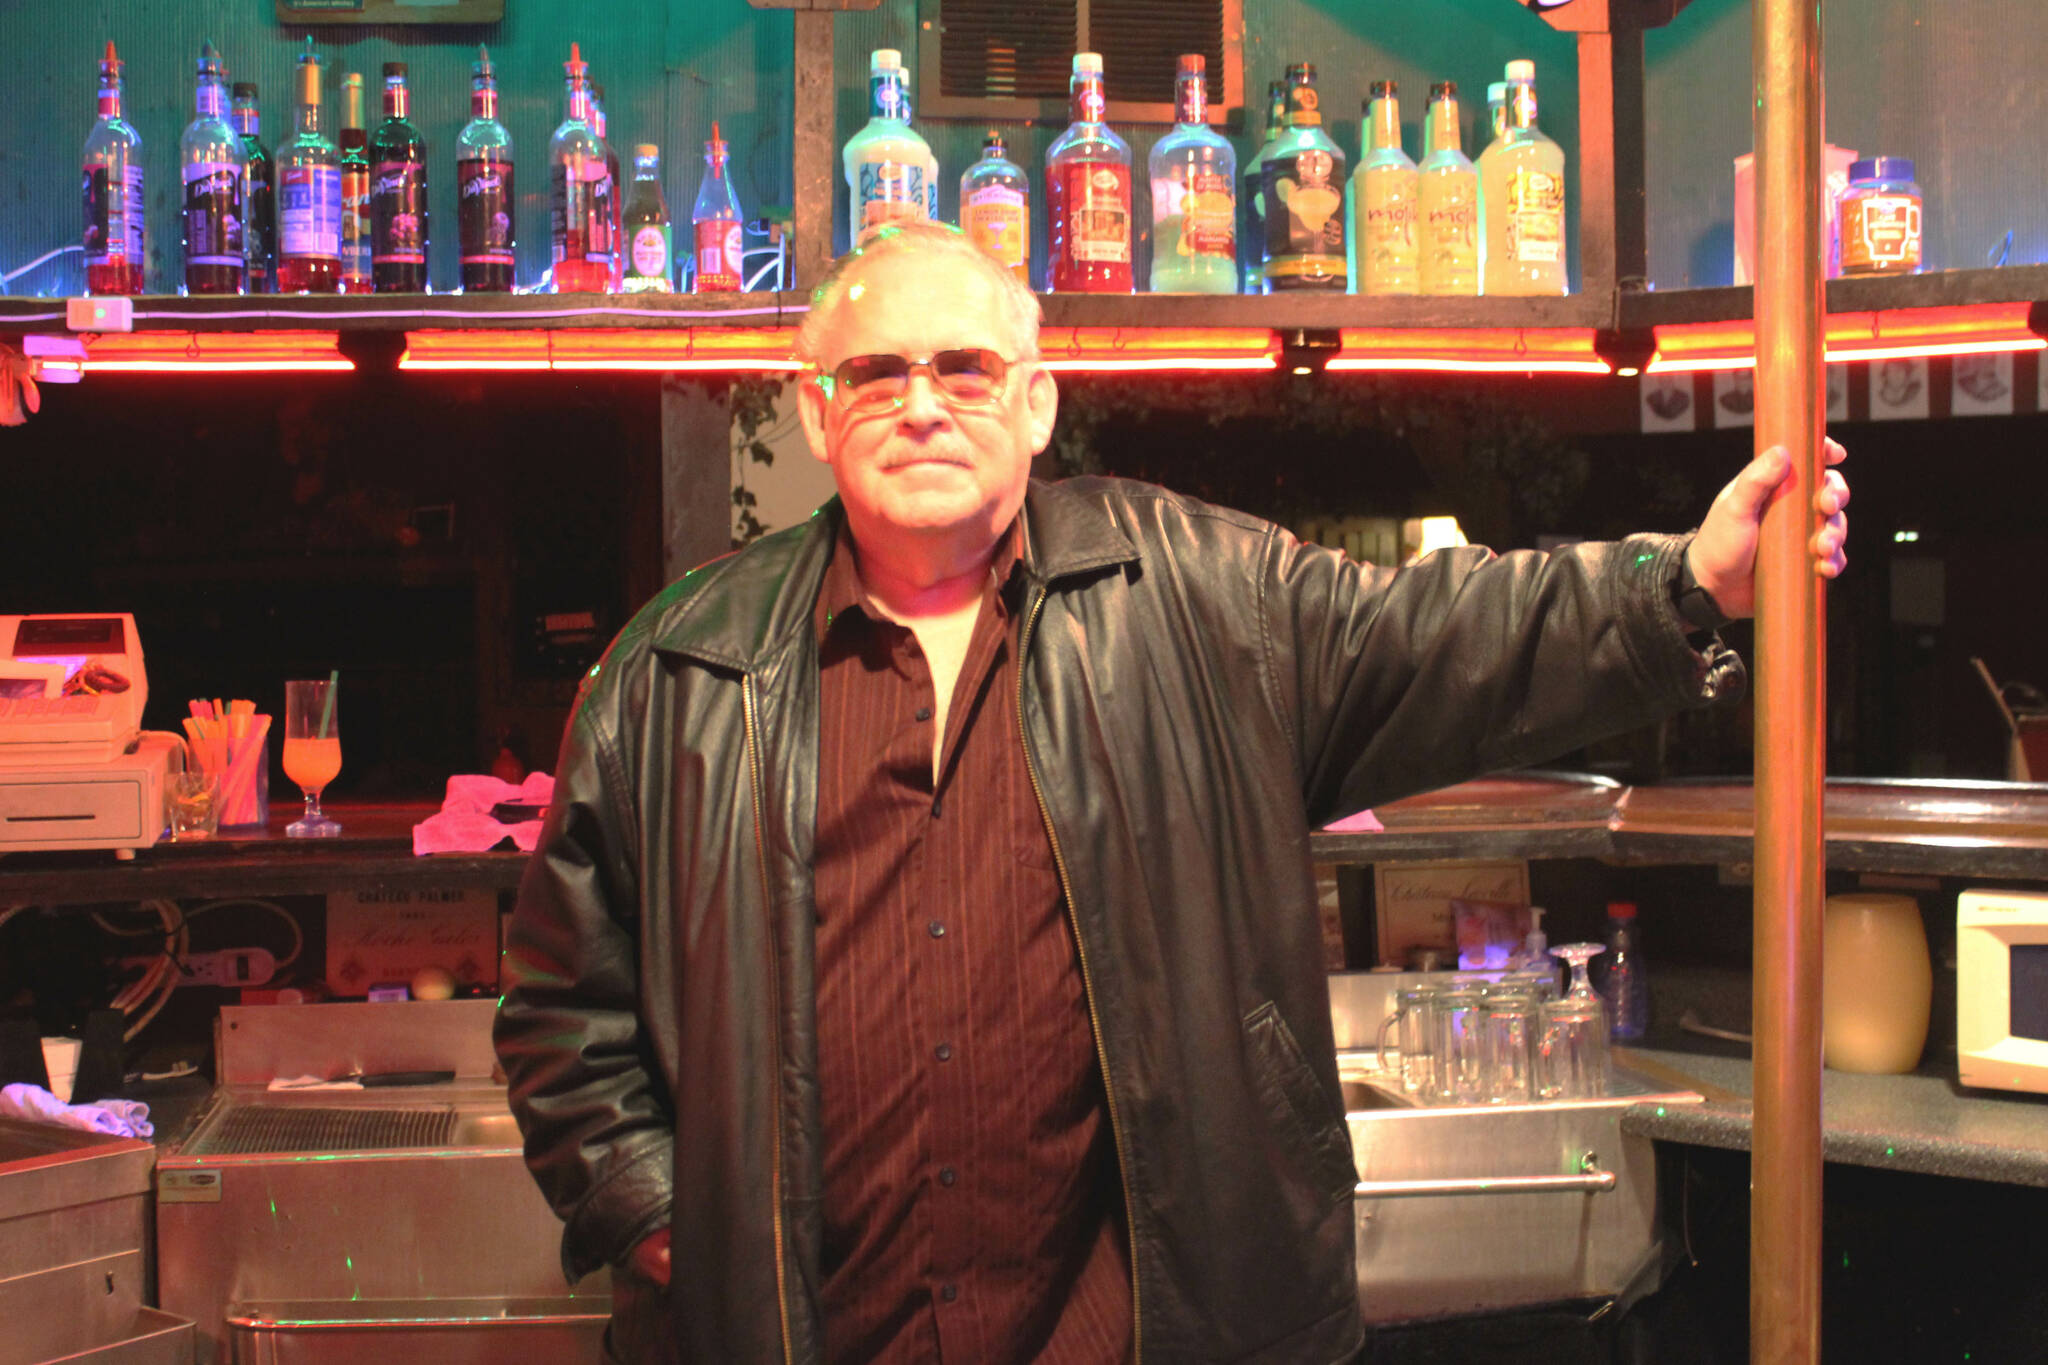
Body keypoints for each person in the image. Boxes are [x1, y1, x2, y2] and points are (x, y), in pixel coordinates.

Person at [494, 221, 1850, 1365]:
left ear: (1035, 402)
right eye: (878, 371)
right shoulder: (675, 670)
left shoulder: (1205, 600)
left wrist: (1684, 583)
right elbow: (561, 1012)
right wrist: (675, 1219)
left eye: (966, 368)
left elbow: (1454, 634)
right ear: (813, 409)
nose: (921, 403)